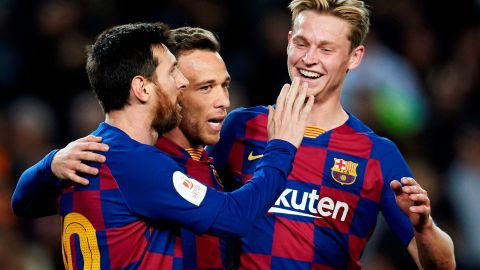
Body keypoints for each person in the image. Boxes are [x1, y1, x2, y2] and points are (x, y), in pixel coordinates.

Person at [11, 22, 315, 269]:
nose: (180, 83)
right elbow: (235, 217)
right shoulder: (135, 162)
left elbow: (22, 203)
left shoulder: (89, 154)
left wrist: (49, 166)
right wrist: (282, 147)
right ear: (141, 88)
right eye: (171, 72)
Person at [207, 0, 455, 269]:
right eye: (302, 43)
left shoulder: (376, 154)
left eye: (326, 48)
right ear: (289, 41)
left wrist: (425, 227)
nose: (309, 58)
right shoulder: (241, 127)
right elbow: (189, 209)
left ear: (355, 56)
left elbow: (442, 265)